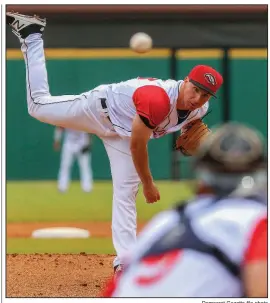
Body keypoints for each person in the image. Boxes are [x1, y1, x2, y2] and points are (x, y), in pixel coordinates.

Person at [6, 12, 223, 275]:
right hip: (98, 111)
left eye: (205, 94)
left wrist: (189, 129)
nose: (198, 97)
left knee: (125, 193)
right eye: (195, 89)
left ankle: (126, 260)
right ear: (185, 81)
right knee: (38, 106)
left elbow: (179, 124)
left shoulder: (200, 108)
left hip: (123, 133)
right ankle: (32, 35)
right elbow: (137, 146)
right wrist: (149, 183)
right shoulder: (158, 100)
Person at [103, 123, 267, 297]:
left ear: (200, 177)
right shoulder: (254, 220)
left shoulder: (165, 221)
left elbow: (115, 289)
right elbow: (260, 290)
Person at [53, 127, 93, 193]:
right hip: (69, 144)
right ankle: (62, 186)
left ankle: (87, 187)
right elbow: (60, 127)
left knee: (85, 166)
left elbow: (90, 130)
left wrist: (88, 143)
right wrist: (57, 140)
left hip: (82, 144)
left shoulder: (83, 117)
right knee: (65, 166)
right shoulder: (67, 117)